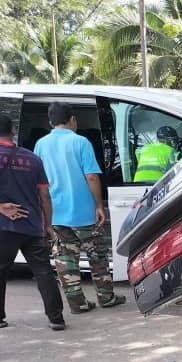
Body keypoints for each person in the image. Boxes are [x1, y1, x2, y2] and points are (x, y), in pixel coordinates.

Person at [0, 113, 66, 331]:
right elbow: (44, 196)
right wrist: (47, 225)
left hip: (0, 226)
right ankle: (56, 318)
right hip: (31, 225)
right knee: (43, 271)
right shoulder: (33, 159)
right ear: (13, 130)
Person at [34, 101, 125, 313]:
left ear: (50, 121)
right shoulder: (81, 142)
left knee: (66, 261)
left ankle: (78, 304)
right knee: (97, 257)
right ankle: (106, 298)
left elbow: (40, 183)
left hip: (56, 213)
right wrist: (99, 205)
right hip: (83, 212)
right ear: (73, 119)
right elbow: (92, 176)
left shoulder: (40, 144)